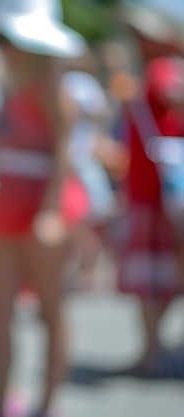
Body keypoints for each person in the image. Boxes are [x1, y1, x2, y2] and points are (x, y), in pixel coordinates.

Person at [0, 1, 86, 416]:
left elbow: (66, 155)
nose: (5, 47)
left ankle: (47, 405)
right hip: (6, 207)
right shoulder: (4, 84)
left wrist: (51, 214)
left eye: (10, 39)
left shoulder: (51, 87)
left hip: (43, 206)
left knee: (51, 310)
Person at [114, 0, 184, 378]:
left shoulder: (159, 71)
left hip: (156, 195)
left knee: (152, 279)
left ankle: (152, 351)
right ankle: (155, 349)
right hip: (163, 192)